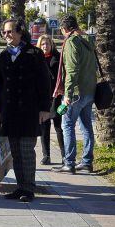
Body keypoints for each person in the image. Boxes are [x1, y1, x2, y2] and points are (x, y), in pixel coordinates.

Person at [0, 19, 52, 202]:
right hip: (10, 112)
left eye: (10, 31)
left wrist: (44, 108)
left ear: (20, 32)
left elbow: (45, 83)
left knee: (27, 151)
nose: (7, 35)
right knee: (15, 152)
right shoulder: (3, 55)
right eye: (4, 32)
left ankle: (29, 188)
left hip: (29, 111)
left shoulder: (34, 54)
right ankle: (20, 187)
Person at [53, 15, 97, 174]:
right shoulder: (87, 42)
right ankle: (86, 161)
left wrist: (67, 95)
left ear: (64, 29)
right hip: (89, 91)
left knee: (67, 125)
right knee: (86, 126)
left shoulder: (71, 42)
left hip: (76, 93)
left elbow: (71, 71)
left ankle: (69, 163)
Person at [38, 34, 65, 165]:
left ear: (51, 45)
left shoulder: (58, 58)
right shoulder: (36, 58)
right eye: (42, 44)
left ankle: (64, 155)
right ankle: (46, 155)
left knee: (58, 126)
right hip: (42, 97)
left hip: (56, 96)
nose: (45, 46)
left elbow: (63, 75)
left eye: (47, 44)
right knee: (44, 127)